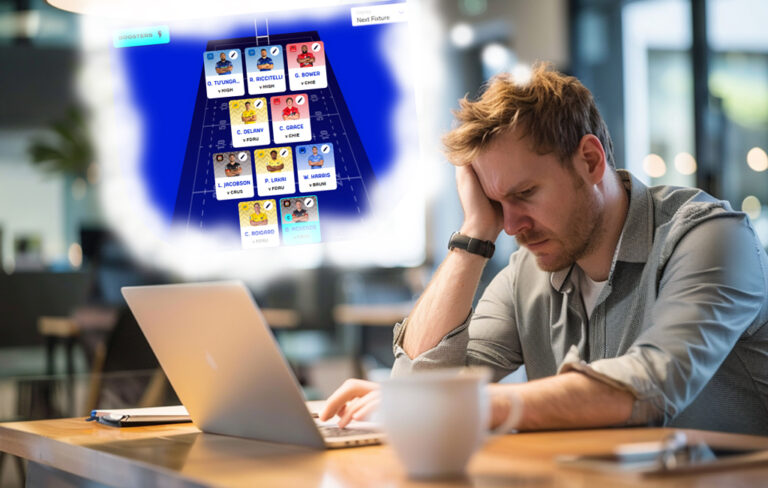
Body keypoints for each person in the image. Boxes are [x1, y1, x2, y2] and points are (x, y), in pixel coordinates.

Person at [320, 64, 768, 436]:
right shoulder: (526, 273)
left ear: (590, 161)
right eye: (497, 203)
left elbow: (651, 385)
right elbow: (418, 386)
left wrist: (460, 403)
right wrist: (475, 232)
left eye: (525, 193)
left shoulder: (711, 238)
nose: (511, 226)